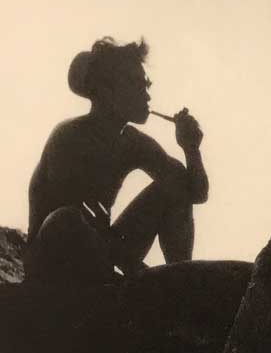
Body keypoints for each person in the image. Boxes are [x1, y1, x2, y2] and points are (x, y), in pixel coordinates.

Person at [25, 37, 208, 282]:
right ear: (106, 91)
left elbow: (193, 192)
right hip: (54, 264)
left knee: (173, 186)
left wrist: (191, 148)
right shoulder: (68, 137)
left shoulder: (132, 142)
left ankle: (182, 280)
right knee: (66, 219)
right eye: (136, 84)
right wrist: (131, 264)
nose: (147, 96)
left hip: (101, 252)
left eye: (147, 85)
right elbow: (70, 224)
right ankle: (123, 285)